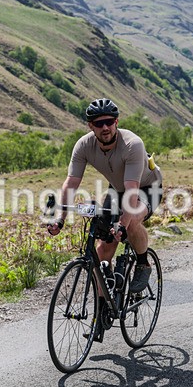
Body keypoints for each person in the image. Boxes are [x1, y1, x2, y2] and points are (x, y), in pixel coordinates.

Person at [47, 98, 163, 296]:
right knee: (101, 253)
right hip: (117, 188)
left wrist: (122, 225)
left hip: (146, 187)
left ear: (116, 122)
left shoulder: (132, 144)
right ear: (90, 126)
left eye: (109, 122)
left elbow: (132, 190)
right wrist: (60, 218)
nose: (105, 127)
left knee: (131, 222)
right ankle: (103, 308)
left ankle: (143, 263)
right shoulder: (83, 145)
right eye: (99, 123)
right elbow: (71, 183)